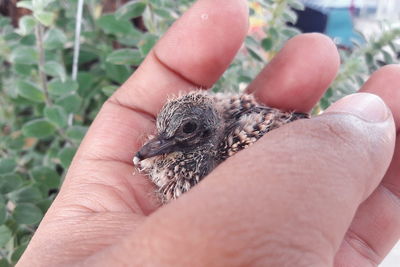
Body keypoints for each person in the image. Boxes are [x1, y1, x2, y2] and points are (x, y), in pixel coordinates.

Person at [17, 0, 400, 266]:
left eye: (182, 133)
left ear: (203, 132)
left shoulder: (236, 148)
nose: (157, 145)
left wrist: (341, 138)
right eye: (165, 134)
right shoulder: (187, 146)